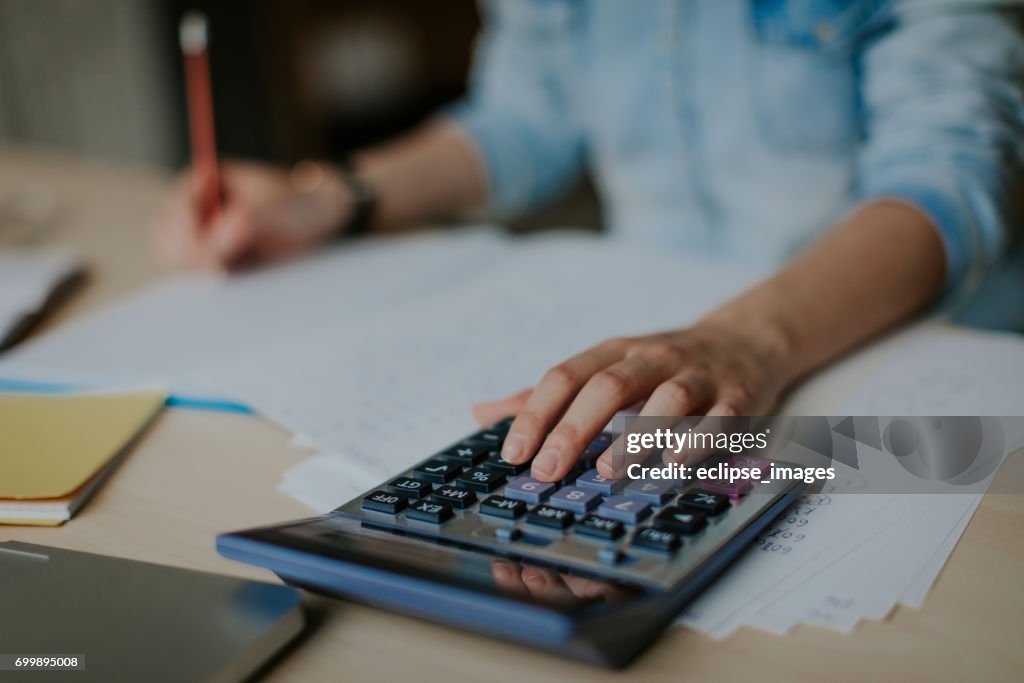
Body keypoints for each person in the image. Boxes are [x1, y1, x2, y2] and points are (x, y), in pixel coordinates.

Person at [154, 0, 1024, 485]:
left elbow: (950, 178)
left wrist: (743, 339)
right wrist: (333, 199)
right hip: (658, 365)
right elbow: (525, 118)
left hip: (900, 351)